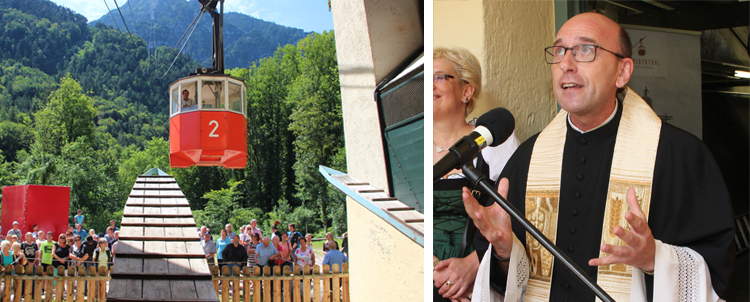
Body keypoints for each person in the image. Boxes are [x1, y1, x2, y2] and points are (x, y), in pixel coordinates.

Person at [463, 12, 735, 302]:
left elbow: (715, 264)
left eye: (585, 50)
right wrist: (504, 252)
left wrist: (655, 259)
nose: (566, 64)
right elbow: (505, 282)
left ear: (623, 72)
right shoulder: (528, 159)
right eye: (559, 51)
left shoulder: (679, 156)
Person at [432, 47, 520, 301]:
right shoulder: (414, 146)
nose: (430, 86)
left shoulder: (494, 143)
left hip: (480, 284)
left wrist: (474, 264)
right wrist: (436, 273)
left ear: (466, 91)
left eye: (439, 77)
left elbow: (517, 214)